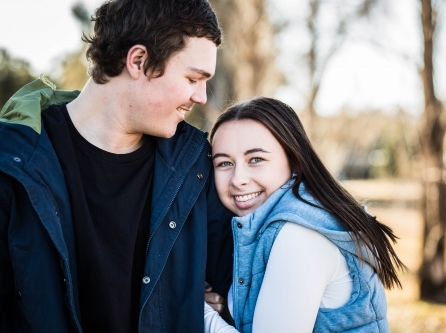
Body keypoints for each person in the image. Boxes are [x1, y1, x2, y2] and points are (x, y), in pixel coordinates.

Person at [0, 0, 233, 332]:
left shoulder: (197, 167)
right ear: (138, 61)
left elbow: (238, 282)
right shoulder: (12, 162)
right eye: (194, 78)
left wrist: (218, 309)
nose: (202, 97)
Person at [203, 97, 406, 333]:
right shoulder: (275, 225)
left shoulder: (299, 235)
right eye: (224, 163)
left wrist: (197, 310)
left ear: (294, 160)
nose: (238, 179)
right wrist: (225, 310)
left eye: (256, 159)